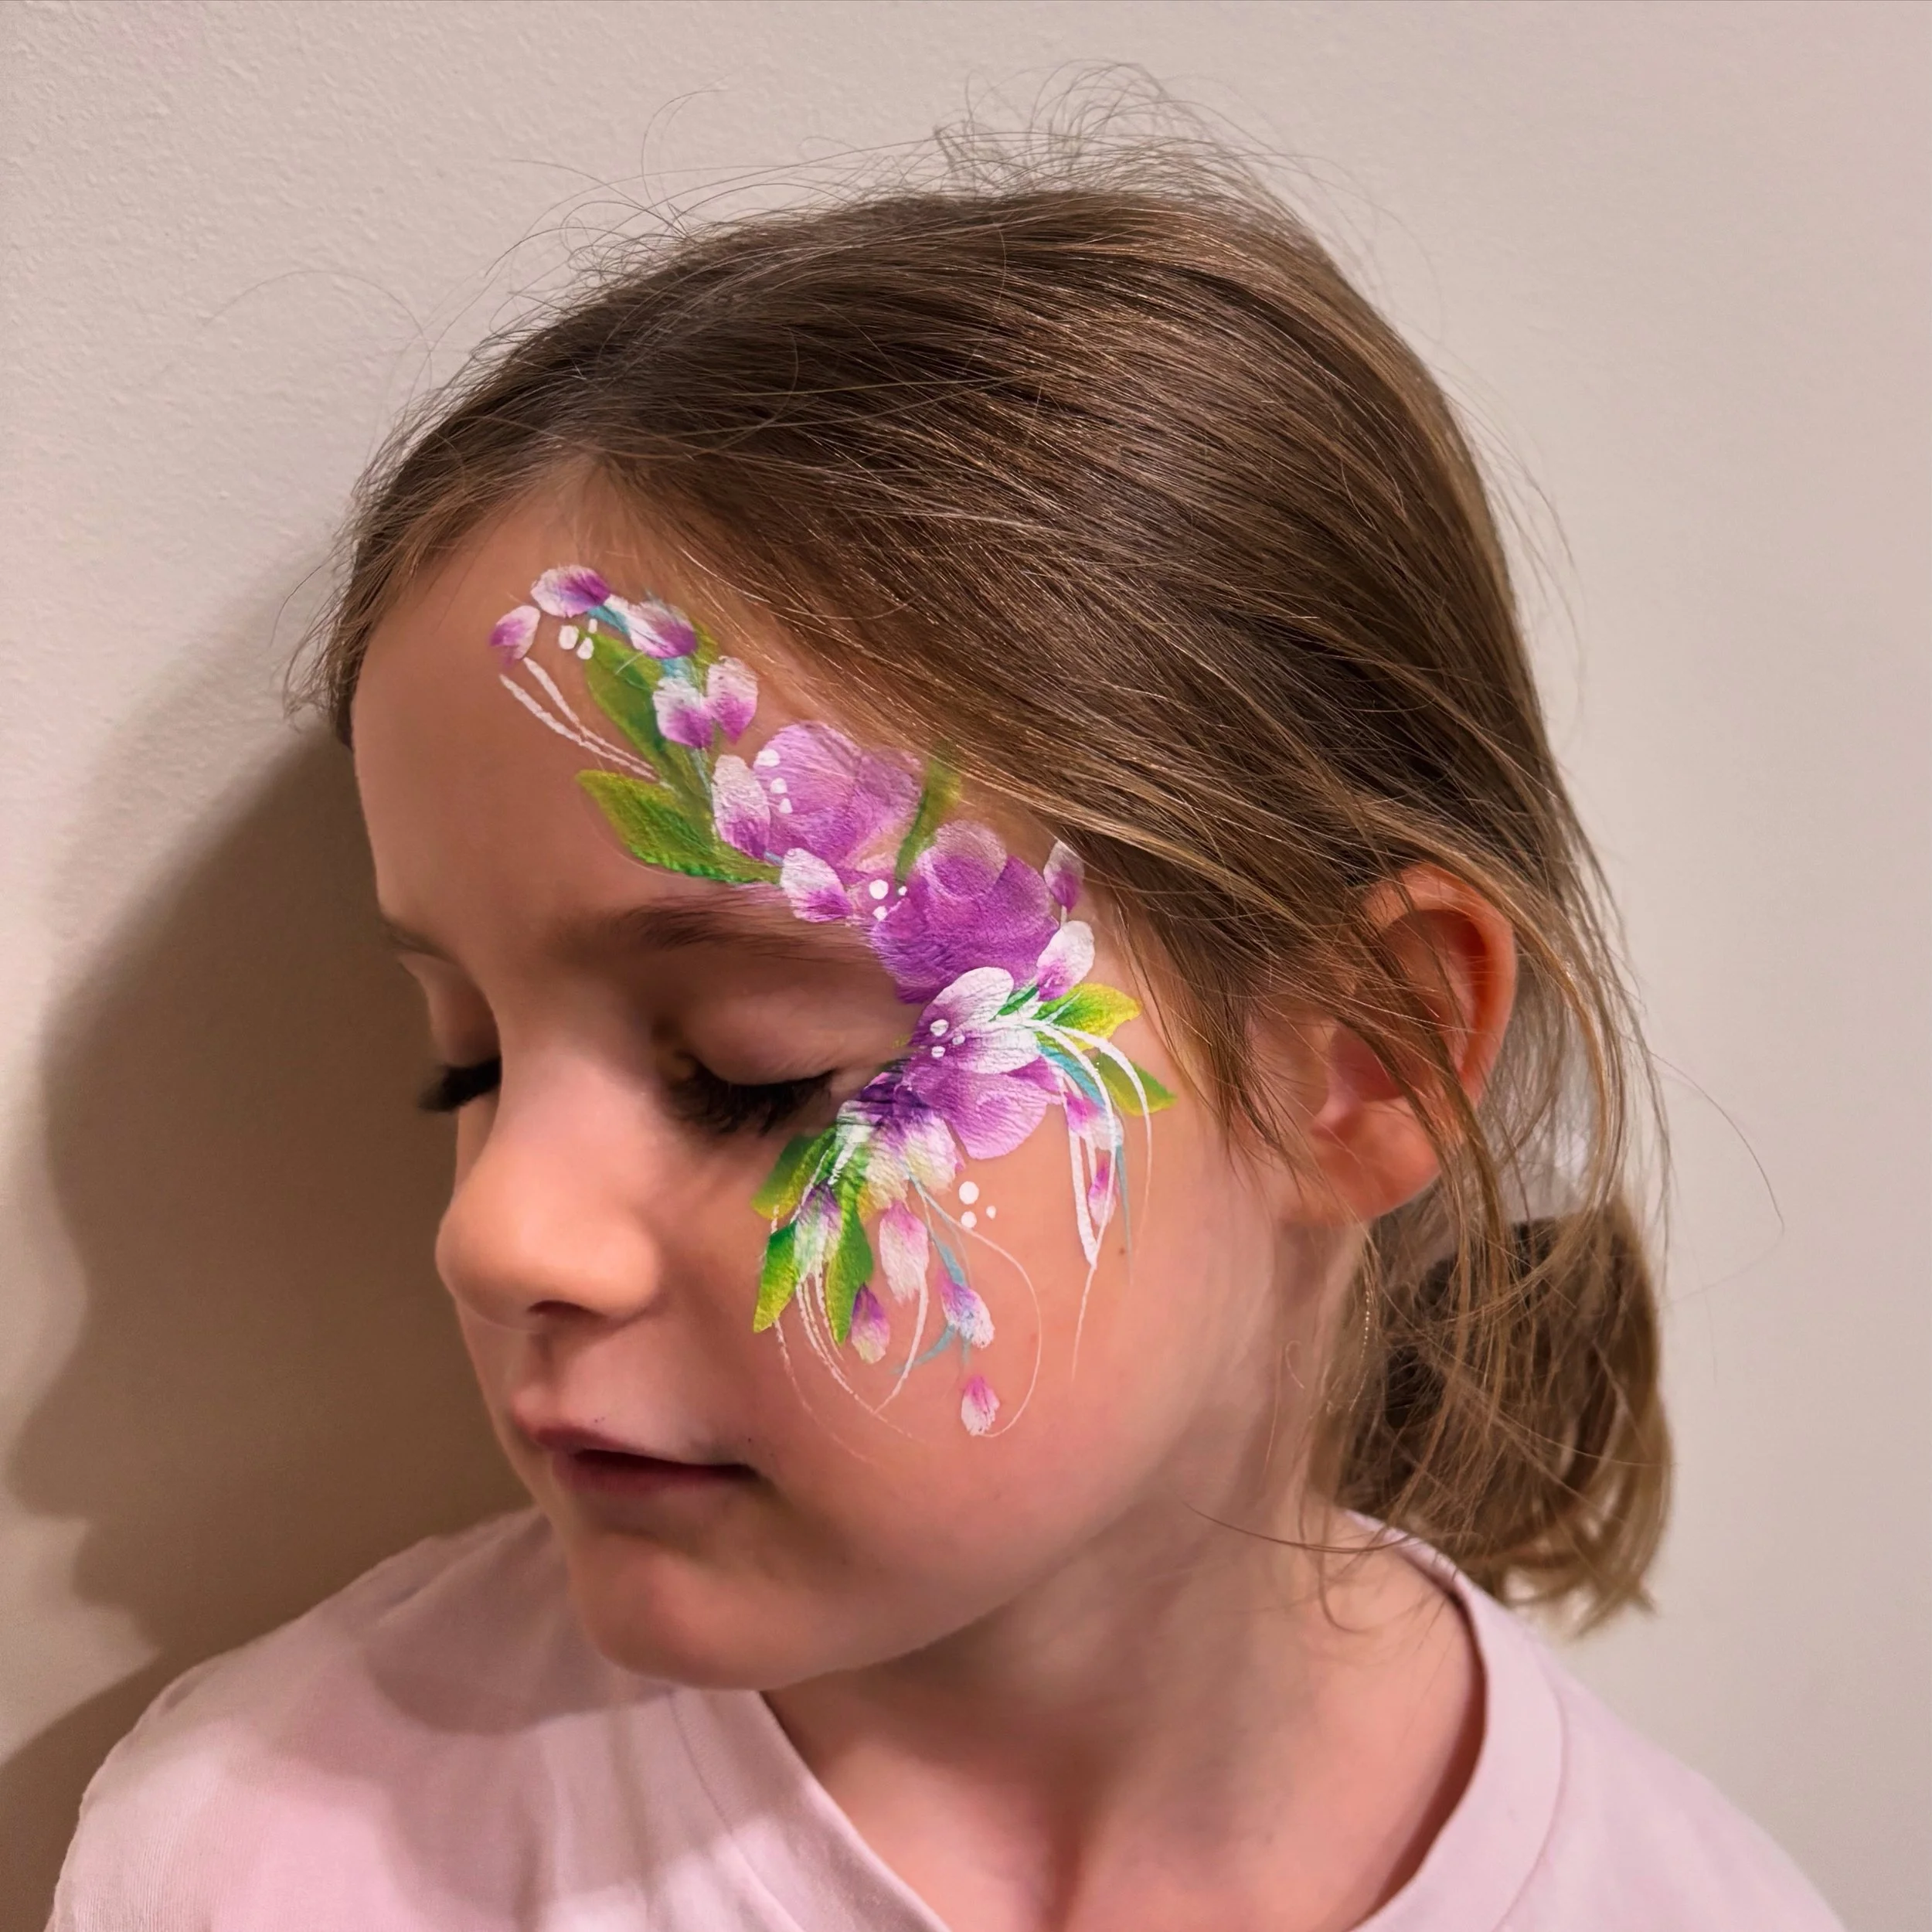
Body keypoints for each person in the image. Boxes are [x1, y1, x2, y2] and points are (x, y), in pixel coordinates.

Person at [49, 128, 1845, 1932]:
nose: (495, 1227)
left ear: (1356, 1056)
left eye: (746, 1065)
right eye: (471, 1055)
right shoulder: (276, 1856)